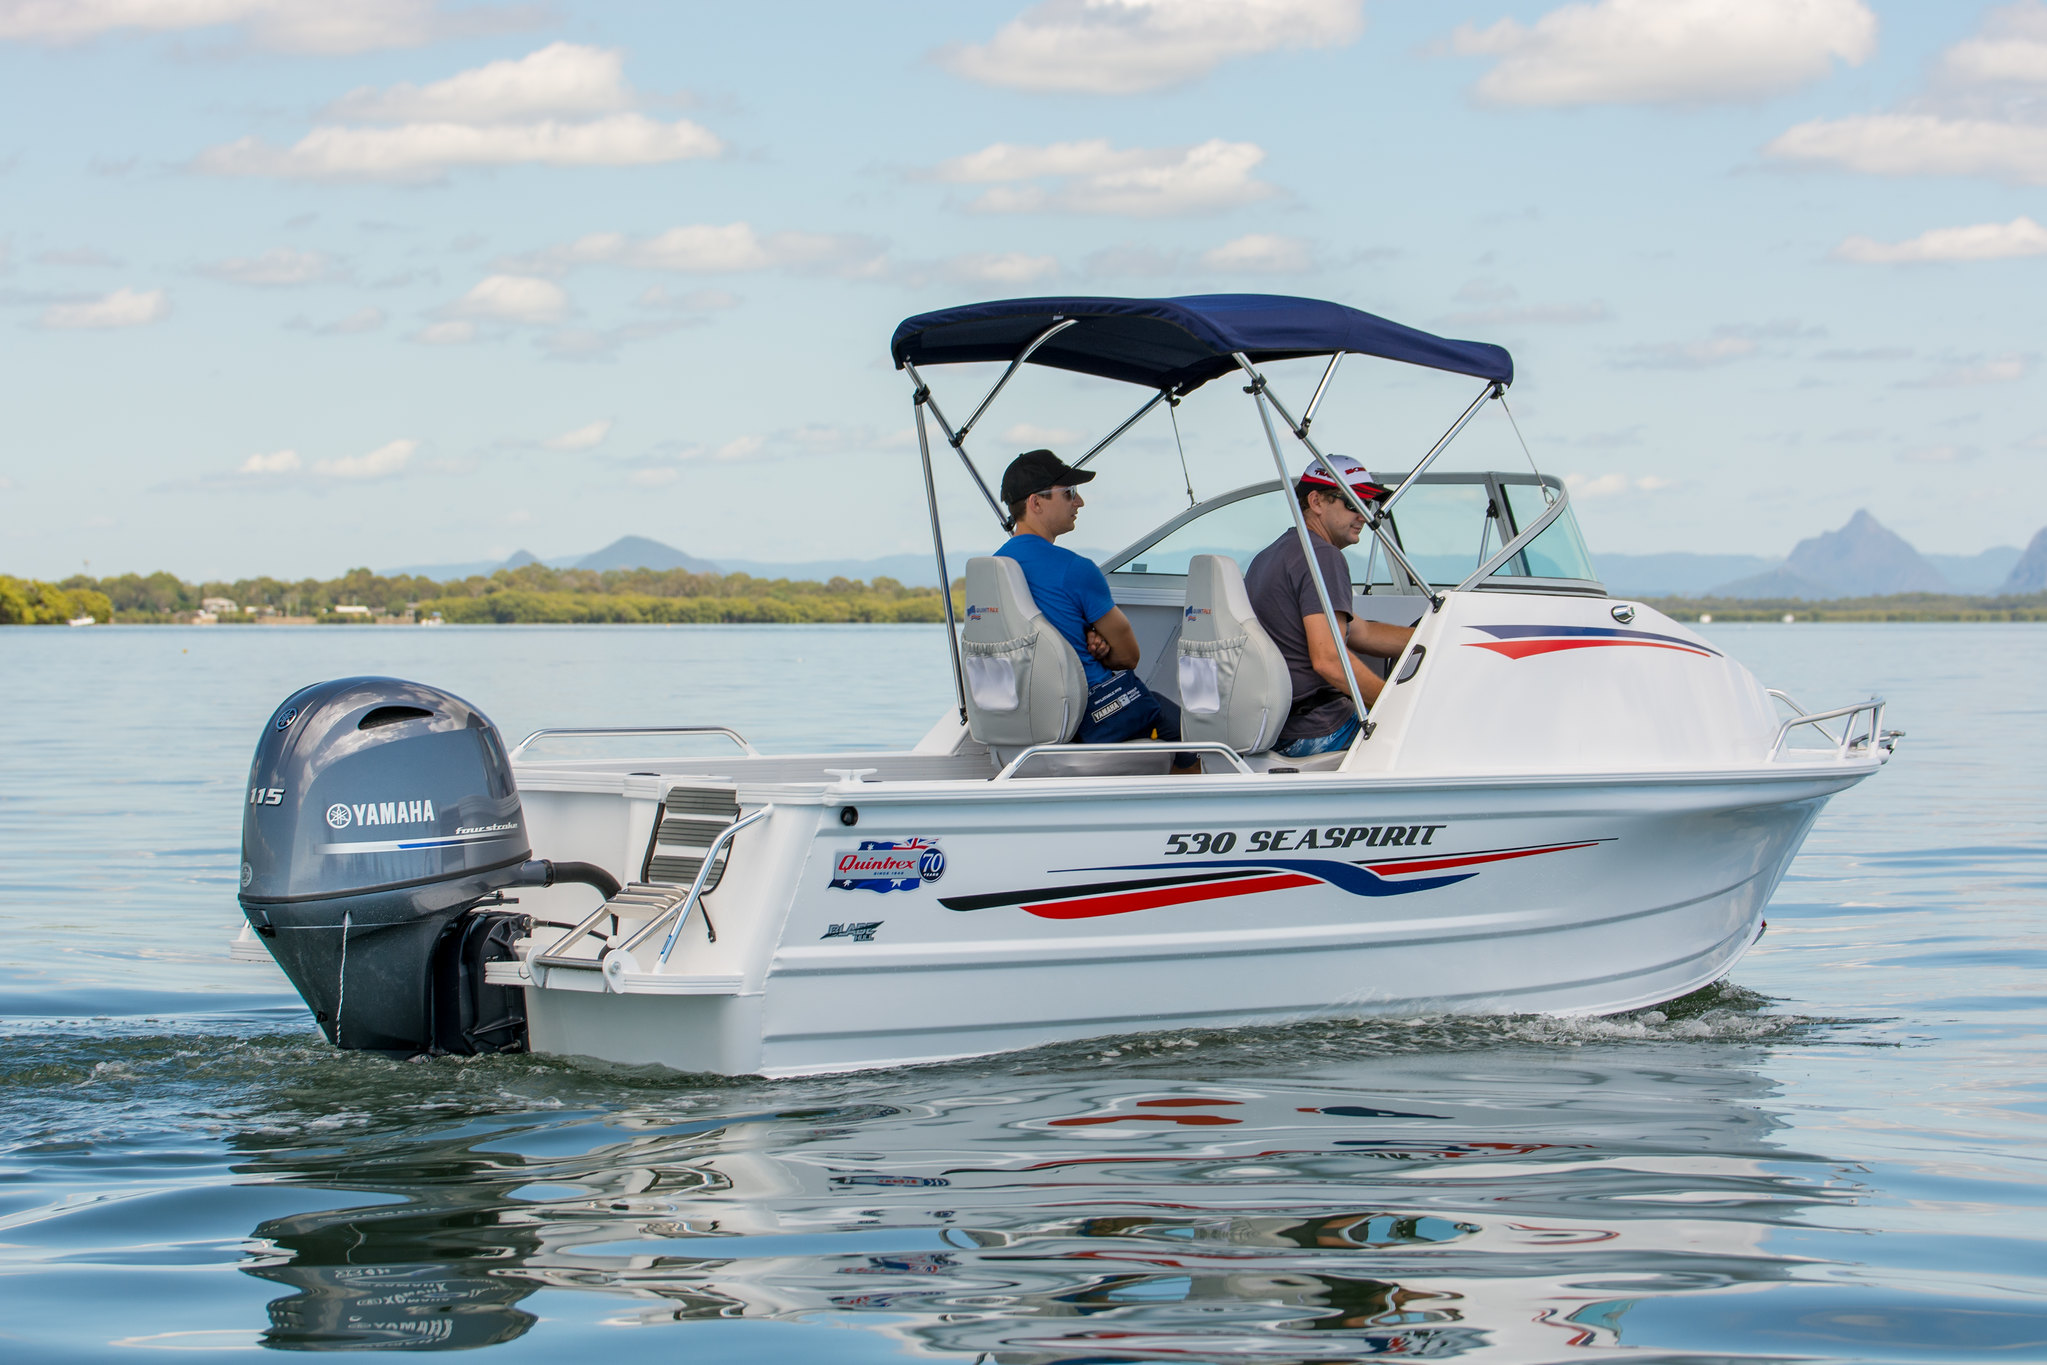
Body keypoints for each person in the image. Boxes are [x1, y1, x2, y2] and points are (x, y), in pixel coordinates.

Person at [996, 449, 1194, 765]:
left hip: (1029, 712)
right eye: (1069, 493)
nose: (1079, 502)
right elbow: (1129, 657)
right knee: (1192, 738)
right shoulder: (1075, 569)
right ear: (1036, 503)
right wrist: (1099, 647)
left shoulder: (994, 571)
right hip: (1089, 714)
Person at [1244, 455, 1415, 759]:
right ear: (1317, 501)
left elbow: (1358, 631)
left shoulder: (1272, 555)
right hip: (1318, 728)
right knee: (1430, 730)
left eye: (1368, 504)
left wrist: (1431, 639)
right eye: (1353, 503)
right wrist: (1393, 702)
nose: (1363, 514)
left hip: (1279, 728)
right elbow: (1329, 660)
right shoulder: (1322, 556)